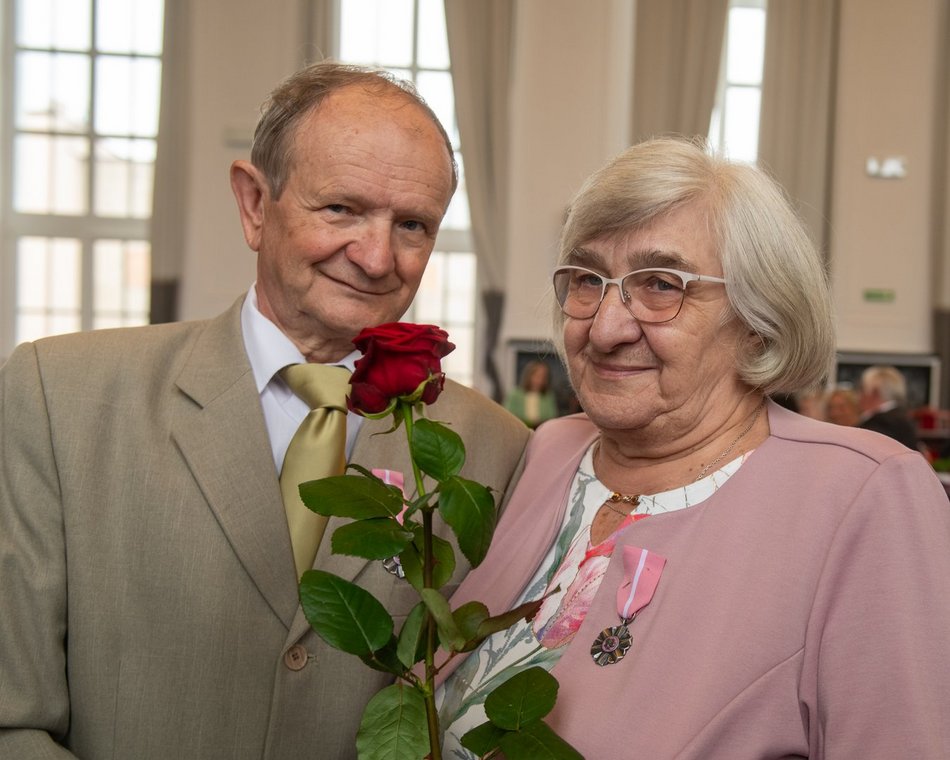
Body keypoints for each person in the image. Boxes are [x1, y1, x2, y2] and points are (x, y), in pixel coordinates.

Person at [0, 61, 531, 759]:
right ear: (255, 204)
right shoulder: (58, 396)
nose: (376, 257)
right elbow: (12, 720)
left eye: (411, 225)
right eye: (341, 208)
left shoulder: (494, 449)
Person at [437, 137, 950, 758]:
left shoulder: (862, 495)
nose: (604, 328)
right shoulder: (548, 449)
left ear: (758, 317)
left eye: (660, 285)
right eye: (586, 280)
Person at [858, 364, 920, 450]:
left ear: (874, 392)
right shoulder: (902, 417)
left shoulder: (880, 424)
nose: (859, 396)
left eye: (862, 389)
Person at [503, 359, 560, 428]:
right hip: (519, 428)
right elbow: (508, 414)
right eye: (537, 375)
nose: (540, 379)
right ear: (529, 375)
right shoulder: (515, 394)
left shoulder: (548, 396)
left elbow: (552, 417)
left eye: (544, 376)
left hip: (541, 430)